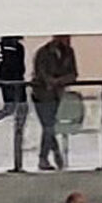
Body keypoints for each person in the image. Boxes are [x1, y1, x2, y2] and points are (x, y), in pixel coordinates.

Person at [31, 34, 78, 171]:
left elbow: (73, 74)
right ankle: (45, 157)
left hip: (57, 95)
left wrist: (59, 81)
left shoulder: (69, 52)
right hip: (42, 95)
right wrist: (50, 81)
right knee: (48, 126)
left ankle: (54, 156)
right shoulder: (43, 52)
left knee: (49, 126)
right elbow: (41, 73)